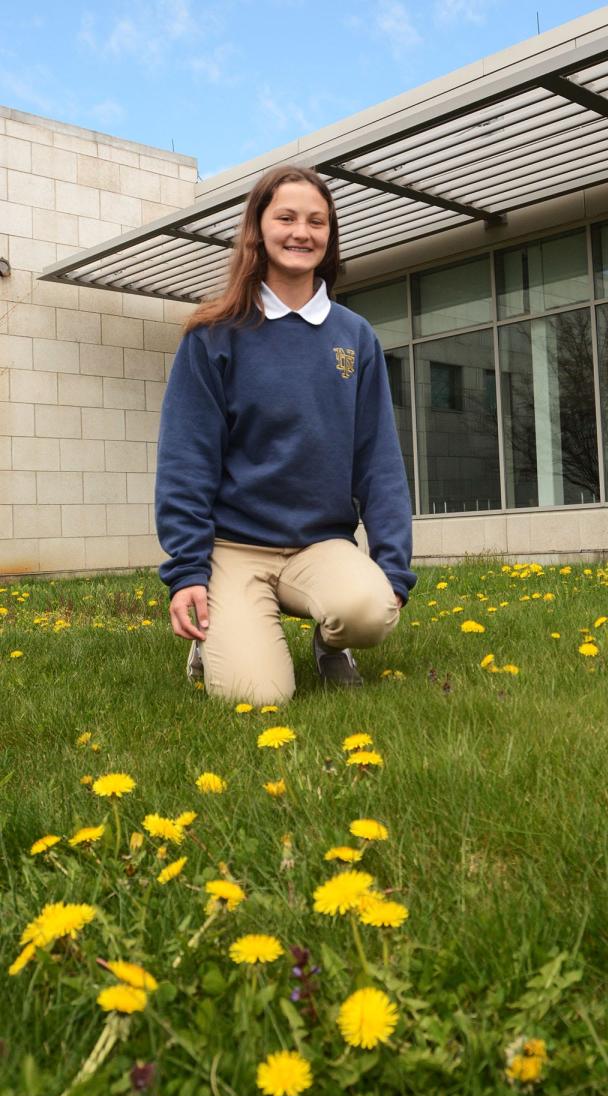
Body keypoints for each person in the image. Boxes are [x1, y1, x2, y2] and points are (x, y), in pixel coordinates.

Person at [154, 165, 415, 705]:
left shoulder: (355, 337)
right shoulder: (212, 334)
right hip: (234, 549)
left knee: (371, 610)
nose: (302, 232)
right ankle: (217, 639)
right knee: (257, 697)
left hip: (320, 545)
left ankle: (330, 643)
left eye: (317, 221)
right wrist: (187, 573)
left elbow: (378, 462)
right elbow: (187, 461)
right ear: (258, 229)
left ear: (330, 236)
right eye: (287, 218)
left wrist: (392, 566)